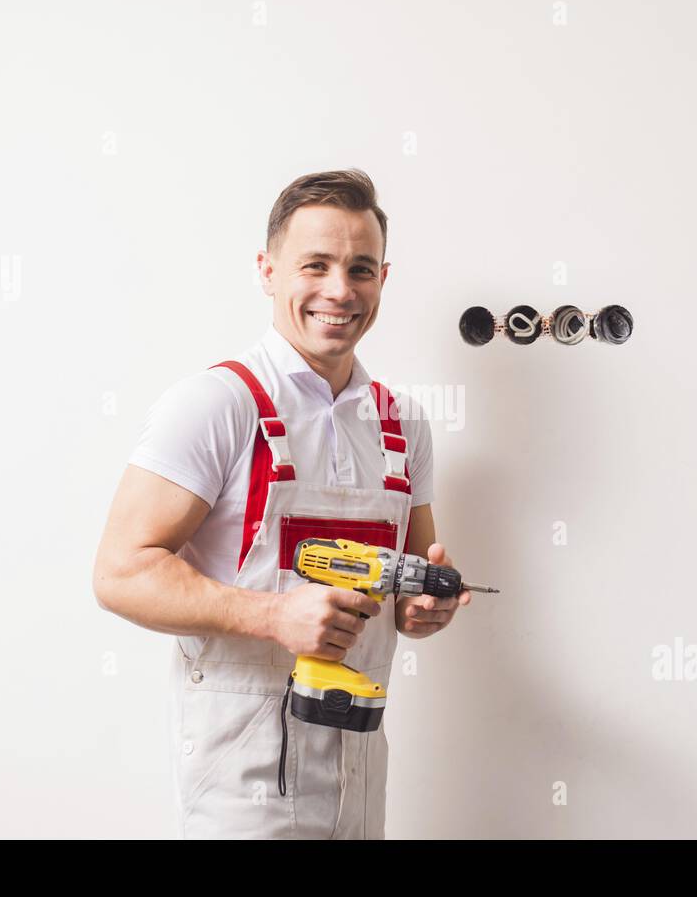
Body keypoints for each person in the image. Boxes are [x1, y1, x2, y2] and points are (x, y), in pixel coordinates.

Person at [92, 169, 471, 839]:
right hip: (243, 791)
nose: (339, 290)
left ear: (384, 277)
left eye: (360, 268)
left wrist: (420, 610)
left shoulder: (404, 424)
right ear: (267, 271)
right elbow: (120, 574)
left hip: (359, 778)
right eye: (315, 265)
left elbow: (410, 582)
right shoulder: (216, 404)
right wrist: (272, 615)